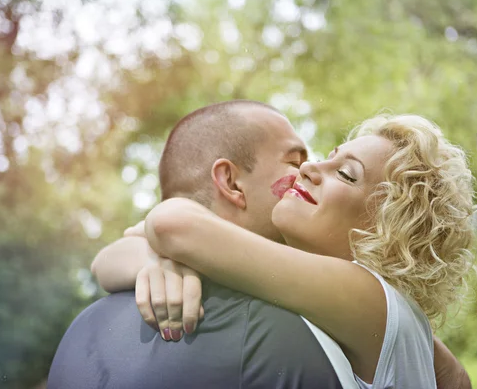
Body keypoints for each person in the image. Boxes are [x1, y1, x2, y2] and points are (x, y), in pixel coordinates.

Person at [97, 112, 477, 388]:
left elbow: (171, 225)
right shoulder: (369, 312)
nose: (311, 168)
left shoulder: (369, 298)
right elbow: (105, 261)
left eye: (346, 174)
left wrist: (166, 247)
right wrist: (157, 261)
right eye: (328, 155)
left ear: (385, 229)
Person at [48, 100, 348, 389]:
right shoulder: (280, 333)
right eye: (294, 161)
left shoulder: (82, 329)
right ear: (230, 182)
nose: (307, 172)